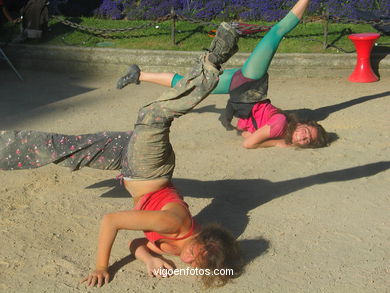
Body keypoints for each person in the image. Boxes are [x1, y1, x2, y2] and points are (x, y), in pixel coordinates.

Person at [1, 22, 243, 288]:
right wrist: (101, 267)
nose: (192, 266)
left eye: (198, 268)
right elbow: (112, 220)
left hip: (130, 164)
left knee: (67, 149)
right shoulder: (173, 222)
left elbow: (138, 243)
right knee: (153, 115)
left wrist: (149, 259)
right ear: (204, 243)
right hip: (148, 167)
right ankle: (214, 59)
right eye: (198, 262)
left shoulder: (180, 247)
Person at [116, 0, 328, 150]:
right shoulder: (280, 125)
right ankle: (232, 31)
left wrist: (267, 138)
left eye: (306, 141)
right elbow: (249, 142)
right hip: (250, 83)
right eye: (307, 132)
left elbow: (247, 135)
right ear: (302, 124)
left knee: (188, 84)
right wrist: (280, 144)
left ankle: (138, 74)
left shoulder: (281, 128)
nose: (303, 137)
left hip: (240, 90)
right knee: (277, 32)